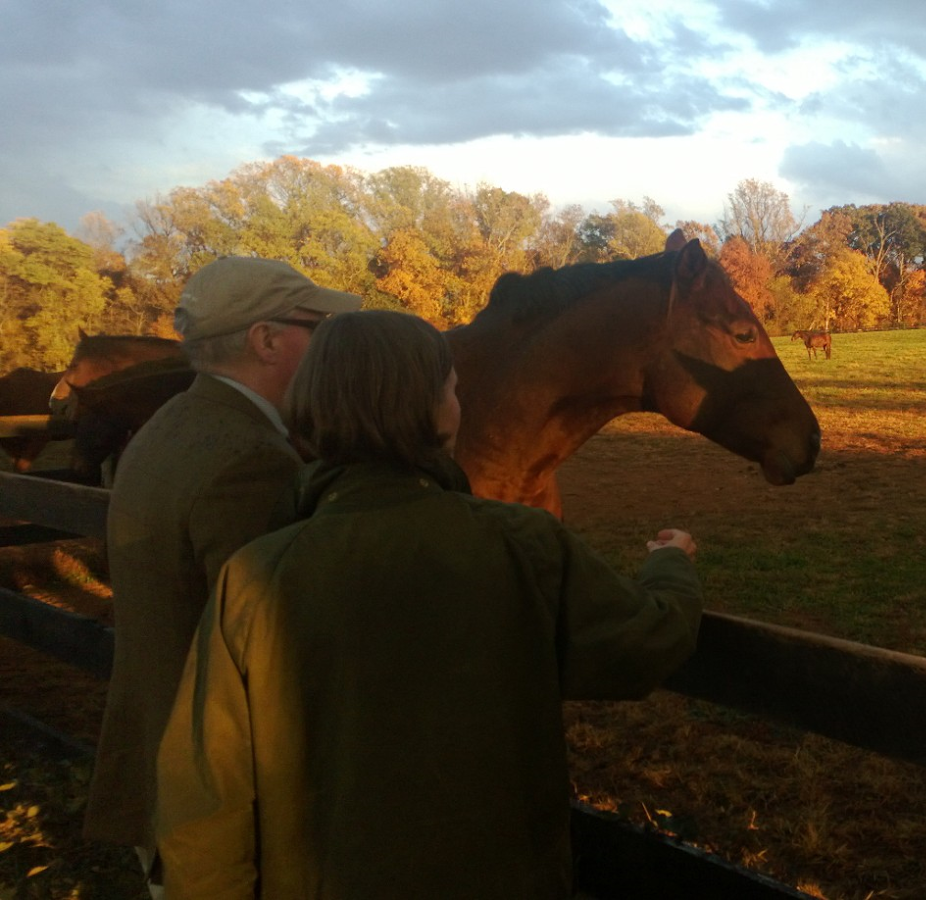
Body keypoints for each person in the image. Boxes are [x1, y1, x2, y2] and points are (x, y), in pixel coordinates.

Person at [155, 310, 703, 899]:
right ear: (433, 409)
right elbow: (646, 642)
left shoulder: (258, 573)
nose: (459, 401)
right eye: (452, 387)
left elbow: (207, 795)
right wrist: (670, 565)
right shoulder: (519, 543)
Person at [84, 257, 363, 896]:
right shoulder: (250, 461)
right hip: (221, 800)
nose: (328, 348)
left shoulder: (173, 425)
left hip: (162, 770)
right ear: (267, 340)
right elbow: (277, 656)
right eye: (316, 329)